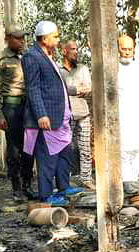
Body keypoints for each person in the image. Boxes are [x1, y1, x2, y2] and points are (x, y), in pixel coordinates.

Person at [22, 21, 82, 205]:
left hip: (59, 117)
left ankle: (64, 187)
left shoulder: (48, 56)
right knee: (47, 157)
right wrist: (41, 114)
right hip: (47, 117)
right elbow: (33, 88)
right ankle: (46, 194)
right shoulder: (31, 56)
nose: (57, 39)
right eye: (54, 36)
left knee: (64, 153)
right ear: (44, 38)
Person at [0, 24, 34, 201]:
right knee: (14, 149)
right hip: (12, 107)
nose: (22, 41)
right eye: (18, 38)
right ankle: (16, 188)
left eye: (23, 38)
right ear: (8, 39)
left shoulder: (29, 55)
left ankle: (27, 185)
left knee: (29, 148)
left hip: (30, 108)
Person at [117, 35, 139, 194]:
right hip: (122, 111)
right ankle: (126, 180)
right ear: (118, 48)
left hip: (137, 110)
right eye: (124, 49)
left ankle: (133, 177)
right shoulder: (114, 67)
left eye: (130, 49)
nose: (127, 52)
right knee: (124, 147)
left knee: (138, 147)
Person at [60, 39, 95, 190]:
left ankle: (86, 178)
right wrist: (75, 89)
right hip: (65, 114)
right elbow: (59, 89)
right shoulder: (57, 69)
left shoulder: (83, 68)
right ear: (64, 51)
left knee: (85, 149)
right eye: (72, 49)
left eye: (77, 49)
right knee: (66, 148)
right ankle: (66, 179)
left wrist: (70, 89)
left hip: (83, 113)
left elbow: (88, 87)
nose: (76, 52)